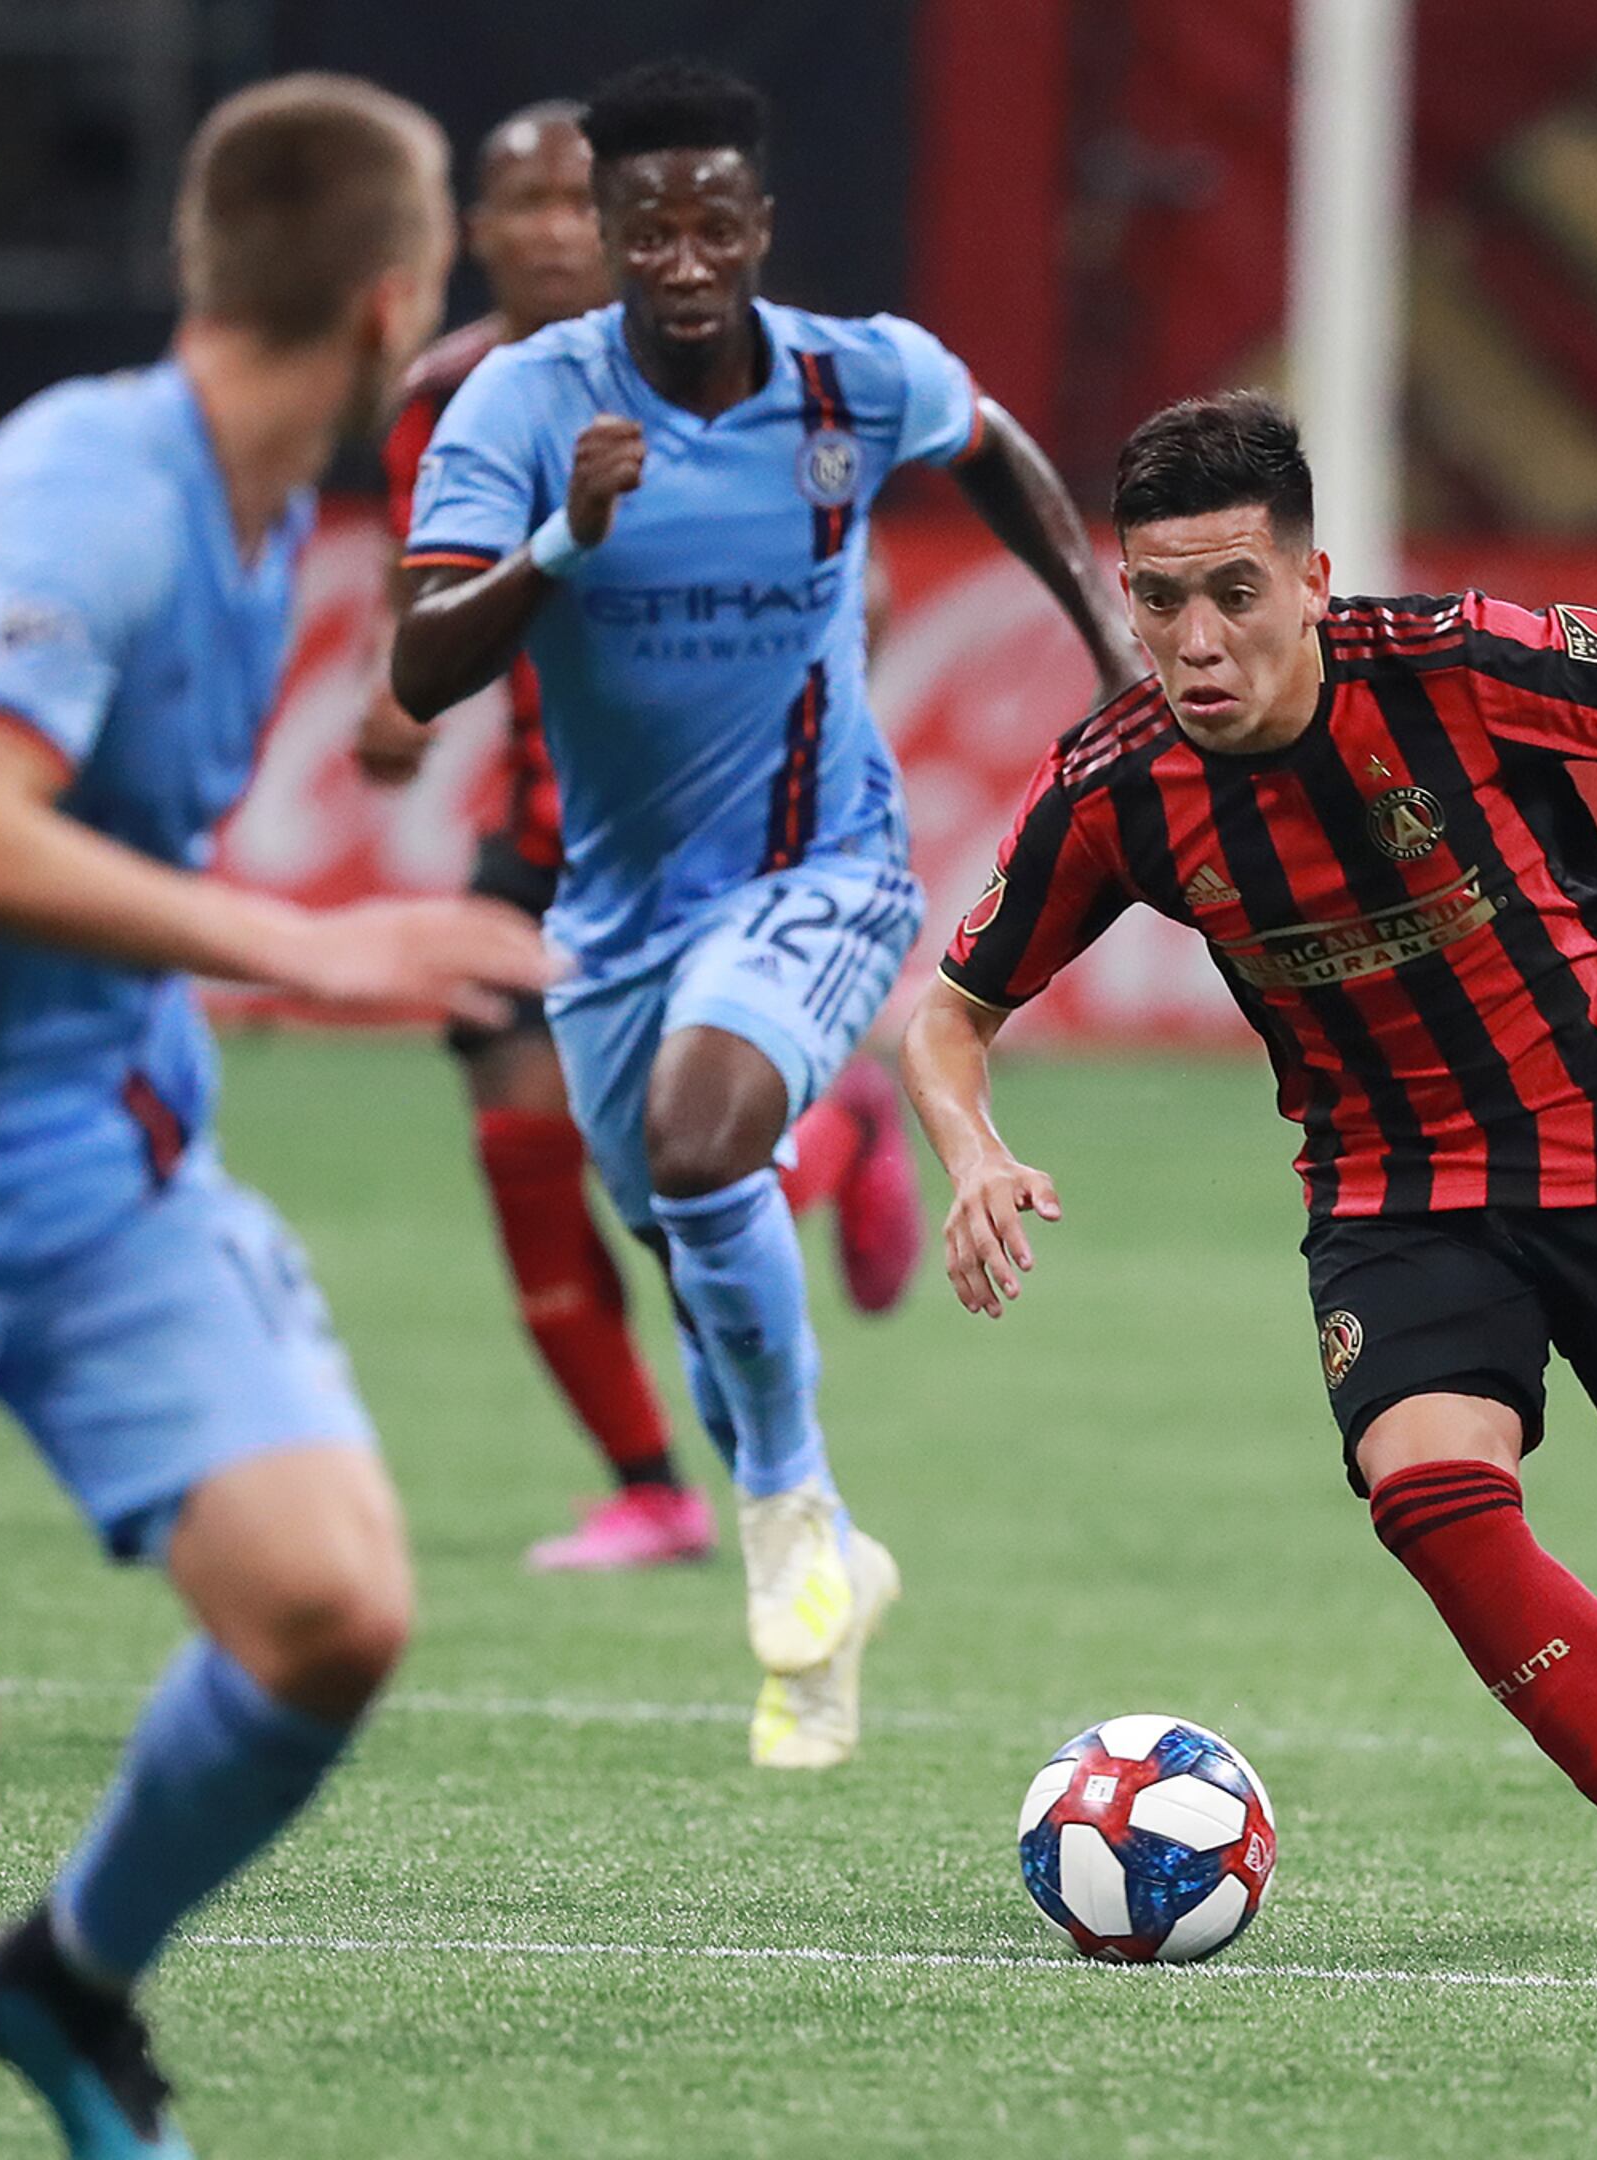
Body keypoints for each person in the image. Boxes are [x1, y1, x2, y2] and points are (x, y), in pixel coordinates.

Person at [0, 76, 547, 2160]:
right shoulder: (96, 491)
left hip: (94, 1158)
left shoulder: (258, 511)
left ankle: (65, 1976)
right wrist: (298, 942)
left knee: (335, 1605)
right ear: (386, 300)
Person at [905, 391, 1597, 1976]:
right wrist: (974, 1148)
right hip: (1389, 1186)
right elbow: (952, 1014)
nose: (1195, 641)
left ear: (1313, 580)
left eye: (1233, 594)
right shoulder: (1117, 787)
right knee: (1431, 1497)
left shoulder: (1456, 664)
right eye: (1156, 601)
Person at [390, 58, 1139, 1769]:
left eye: (711, 221)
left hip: (828, 870)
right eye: (641, 224)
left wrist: (1108, 657)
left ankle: (791, 1523)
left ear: (757, 228)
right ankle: (826, 1566)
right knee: (690, 1245)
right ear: (603, 228)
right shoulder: (519, 406)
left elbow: (995, 445)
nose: (678, 254)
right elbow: (421, 667)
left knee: (706, 1134)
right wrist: (563, 545)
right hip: (613, 917)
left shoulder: (846, 378)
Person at [355, 99, 895, 1575]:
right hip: (534, 830)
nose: (541, 232)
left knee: (682, 1198)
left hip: (706, 849)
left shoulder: (727, 367)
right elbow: (428, 594)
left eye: (558, 203)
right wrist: (386, 696)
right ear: (475, 234)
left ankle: (830, 1136)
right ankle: (648, 1484)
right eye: (511, 204)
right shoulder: (453, 396)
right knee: (523, 1145)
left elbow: (861, 560)